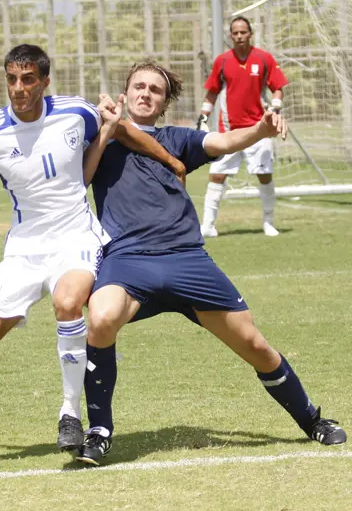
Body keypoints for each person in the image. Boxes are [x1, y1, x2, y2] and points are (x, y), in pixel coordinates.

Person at [0, 44, 187, 473]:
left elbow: (120, 129)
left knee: (69, 303)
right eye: (12, 79)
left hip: (76, 238)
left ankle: (70, 412)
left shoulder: (75, 113)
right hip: (24, 248)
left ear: (44, 81)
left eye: (28, 79)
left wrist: (169, 158)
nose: (19, 88)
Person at [76, 60, 346, 466]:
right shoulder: (100, 137)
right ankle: (99, 431)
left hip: (188, 259)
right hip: (128, 258)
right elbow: (78, 181)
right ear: (125, 93)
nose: (146, 93)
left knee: (255, 344)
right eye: (139, 87)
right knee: (100, 318)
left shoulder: (178, 139)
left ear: (164, 102)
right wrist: (107, 129)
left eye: (155, 89)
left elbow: (222, 143)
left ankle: (312, 419)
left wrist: (261, 129)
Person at [197, 16, 288, 238]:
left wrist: (275, 108)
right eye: (235, 33)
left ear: (250, 33)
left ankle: (268, 223)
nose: (239, 36)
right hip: (229, 132)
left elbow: (277, 87)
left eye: (243, 32)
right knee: (217, 175)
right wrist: (203, 115)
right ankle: (207, 226)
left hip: (259, 129)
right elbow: (212, 91)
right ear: (230, 35)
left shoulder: (264, 59)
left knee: (264, 174)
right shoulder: (223, 61)